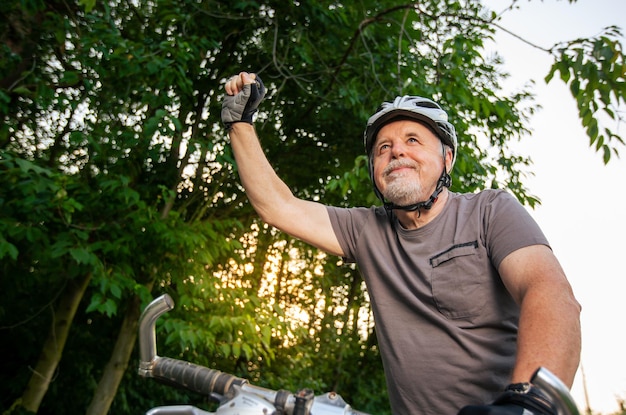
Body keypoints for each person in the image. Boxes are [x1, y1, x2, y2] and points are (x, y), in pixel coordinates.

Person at [221, 71, 582, 415]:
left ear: (447, 158)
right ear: (374, 170)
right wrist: (240, 123)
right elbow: (279, 206)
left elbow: (548, 292)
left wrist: (529, 404)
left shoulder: (490, 211)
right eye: (384, 147)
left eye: (413, 140)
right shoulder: (366, 231)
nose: (397, 152)